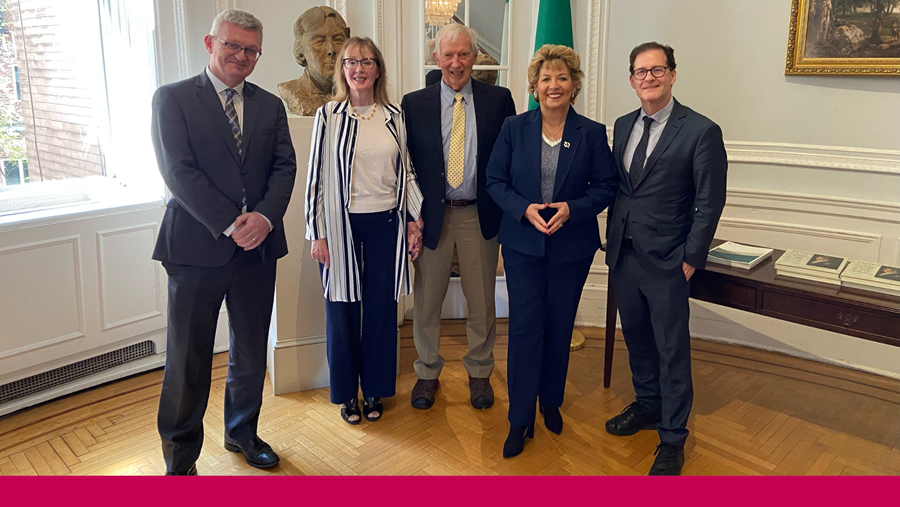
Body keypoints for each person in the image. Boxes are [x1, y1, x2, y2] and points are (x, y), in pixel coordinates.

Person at [151, 9, 296, 475]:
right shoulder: (172, 99)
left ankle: (243, 433)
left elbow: (284, 168)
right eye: (233, 45)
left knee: (252, 351)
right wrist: (234, 222)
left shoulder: (270, 105)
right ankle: (181, 459)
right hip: (195, 251)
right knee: (187, 361)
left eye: (251, 49)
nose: (242, 55)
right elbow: (179, 172)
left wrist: (265, 218)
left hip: (259, 249)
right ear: (211, 44)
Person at [486, 45, 617, 458]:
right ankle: (519, 417)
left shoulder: (591, 133)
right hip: (523, 245)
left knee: (560, 327)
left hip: (570, 248)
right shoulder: (513, 128)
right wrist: (523, 209)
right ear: (534, 86)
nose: (553, 85)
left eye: (562, 78)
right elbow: (494, 180)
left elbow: (606, 187)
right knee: (525, 329)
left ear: (573, 85)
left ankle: (551, 403)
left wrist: (571, 209)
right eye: (546, 78)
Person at [604, 42, 727, 475]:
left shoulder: (700, 130)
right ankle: (648, 405)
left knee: (671, 349)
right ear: (632, 79)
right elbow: (623, 189)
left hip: (669, 261)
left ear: (673, 75)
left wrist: (692, 255)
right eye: (641, 71)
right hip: (624, 255)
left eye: (657, 70)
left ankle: (673, 438)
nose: (649, 78)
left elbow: (710, 201)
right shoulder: (621, 125)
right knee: (636, 339)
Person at [305, 37, 424, 425]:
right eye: (351, 61)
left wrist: (414, 218)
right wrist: (316, 233)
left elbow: (405, 171)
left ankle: (375, 389)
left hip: (386, 225)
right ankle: (346, 394)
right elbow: (316, 180)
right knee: (341, 310)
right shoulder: (328, 115)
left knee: (380, 310)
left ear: (378, 69)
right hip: (339, 227)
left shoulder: (394, 116)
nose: (359, 68)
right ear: (342, 69)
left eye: (367, 61)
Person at [401, 23, 516, 410]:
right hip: (432, 217)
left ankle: (480, 372)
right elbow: (407, 165)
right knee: (427, 300)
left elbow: (510, 160)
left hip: (479, 215)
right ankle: (427, 372)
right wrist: (411, 218)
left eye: (463, 54)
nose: (455, 62)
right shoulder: (413, 103)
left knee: (481, 301)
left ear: (475, 57)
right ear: (436, 58)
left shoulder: (499, 100)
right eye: (448, 55)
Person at [277, 6, 350, 115]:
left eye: (338, 40)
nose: (331, 50)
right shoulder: (292, 90)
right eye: (319, 42)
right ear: (301, 51)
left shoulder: (358, 95)